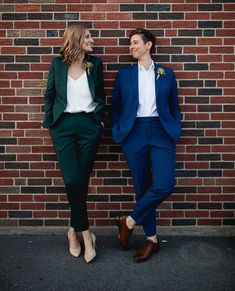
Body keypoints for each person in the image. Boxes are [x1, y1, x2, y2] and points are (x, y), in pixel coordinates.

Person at [112, 28, 181, 262]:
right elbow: (117, 107)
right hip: (134, 132)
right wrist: (120, 131)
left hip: (161, 132)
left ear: (148, 45)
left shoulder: (166, 74)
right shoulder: (124, 75)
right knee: (142, 187)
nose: (130, 47)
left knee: (164, 184)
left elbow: (174, 106)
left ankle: (128, 221)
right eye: (130, 43)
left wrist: (174, 128)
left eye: (134, 42)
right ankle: (151, 239)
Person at [42, 23, 106, 263]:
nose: (92, 40)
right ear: (76, 39)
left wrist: (98, 121)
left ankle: (72, 230)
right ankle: (86, 234)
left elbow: (100, 95)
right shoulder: (57, 65)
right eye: (88, 37)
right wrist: (51, 122)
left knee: (81, 180)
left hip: (89, 127)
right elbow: (49, 95)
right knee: (72, 179)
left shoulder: (95, 64)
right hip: (64, 128)